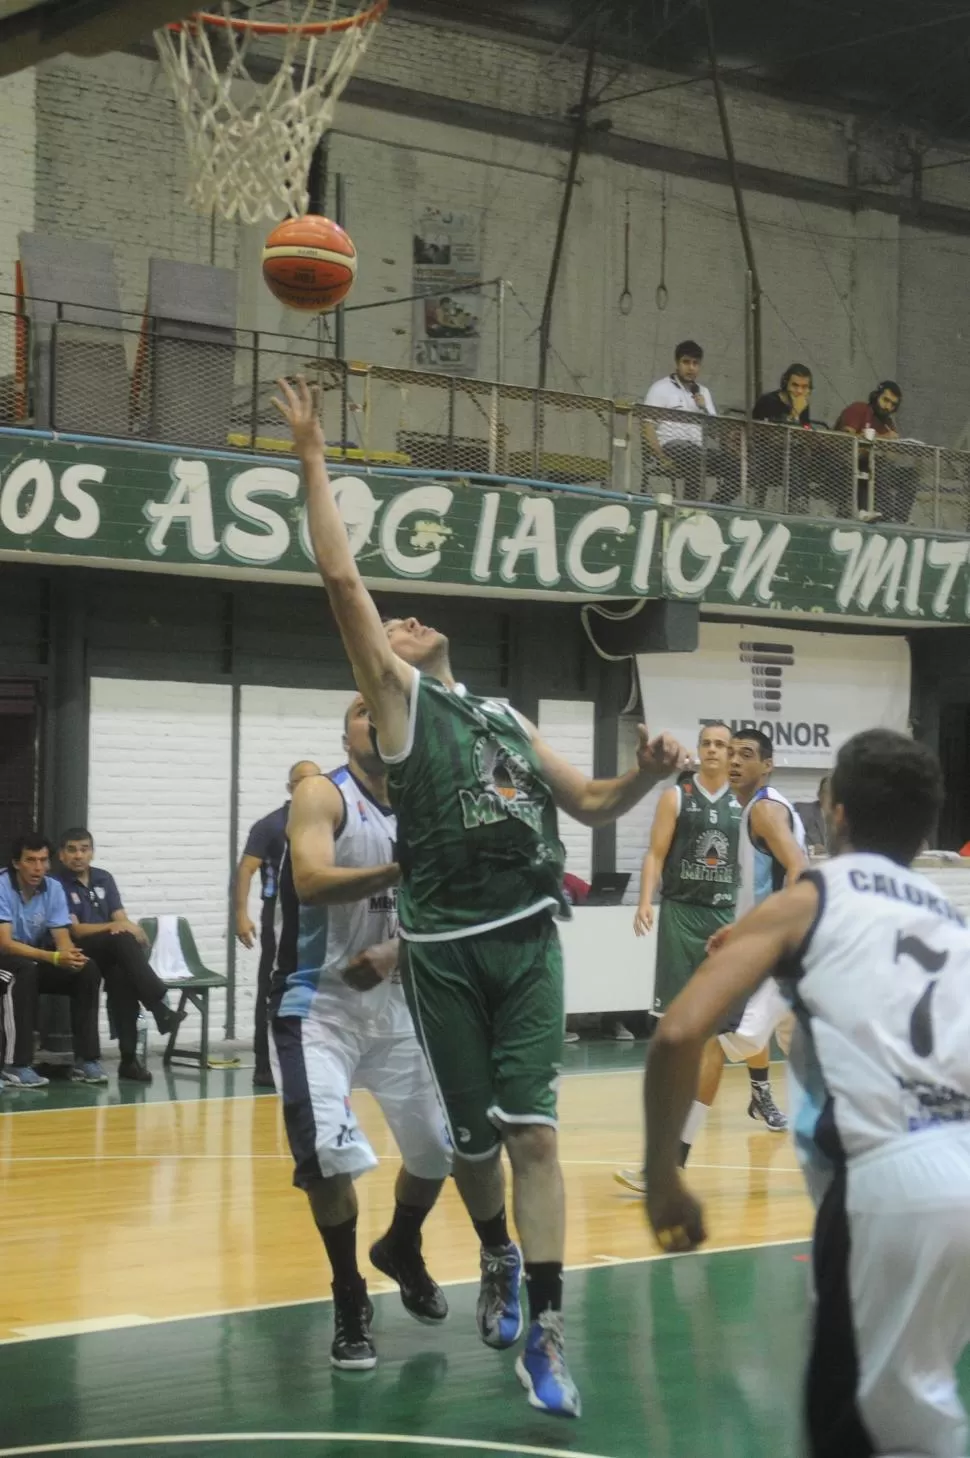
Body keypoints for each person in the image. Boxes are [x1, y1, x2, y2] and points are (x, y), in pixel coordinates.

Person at [272, 374, 689, 1420]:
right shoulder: (403, 719)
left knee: (536, 1137)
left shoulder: (497, 713)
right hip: (446, 952)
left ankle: (544, 1327)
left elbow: (592, 801)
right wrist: (315, 457)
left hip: (525, 941)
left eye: (414, 621)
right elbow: (339, 577)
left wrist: (649, 773)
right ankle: (492, 1251)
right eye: (391, 631)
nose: (402, 623)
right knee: (472, 1145)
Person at [642, 728, 970, 1458]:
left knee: (854, 1433)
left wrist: (665, 1178)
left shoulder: (817, 895)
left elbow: (677, 1033)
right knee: (918, 1417)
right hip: (963, 1181)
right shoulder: (950, 918)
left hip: (883, 1187)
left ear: (837, 815)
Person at [270, 694, 451, 1371]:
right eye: (359, 710)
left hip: (401, 1005)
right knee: (330, 1159)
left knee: (440, 1151)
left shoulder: (428, 805)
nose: (374, 717)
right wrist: (407, 868)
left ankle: (401, 1245)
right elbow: (313, 881)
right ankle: (349, 1296)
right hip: (319, 1007)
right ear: (345, 733)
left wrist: (399, 952)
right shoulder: (322, 793)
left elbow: (450, 912)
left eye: (385, 708)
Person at [614, 724, 784, 1194]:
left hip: (751, 930)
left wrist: (766, 923)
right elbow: (655, 853)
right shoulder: (682, 797)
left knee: (728, 1035)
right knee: (706, 1035)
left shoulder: (760, 809)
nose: (722, 756)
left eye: (732, 750)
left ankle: (757, 1096)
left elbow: (795, 871)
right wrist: (646, 900)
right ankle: (672, 1161)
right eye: (711, 745)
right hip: (695, 918)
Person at [672, 728, 807, 1165]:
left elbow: (799, 867)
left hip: (782, 951)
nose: (733, 761)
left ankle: (670, 1164)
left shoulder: (765, 809)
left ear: (766, 765)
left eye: (745, 754)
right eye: (730, 753)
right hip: (795, 950)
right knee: (823, 1061)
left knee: (712, 1040)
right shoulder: (763, 806)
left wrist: (773, 937)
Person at [56, 827, 186, 1083]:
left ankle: (128, 1060)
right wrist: (115, 927)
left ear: (92, 852)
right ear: (61, 855)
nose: (78, 855)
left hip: (110, 948)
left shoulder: (104, 878)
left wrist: (126, 926)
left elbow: (119, 917)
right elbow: (76, 930)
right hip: (79, 949)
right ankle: (159, 1005)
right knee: (122, 941)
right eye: (71, 849)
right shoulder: (57, 884)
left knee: (122, 975)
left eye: (84, 849)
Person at [235, 760, 320, 1087]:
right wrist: (241, 914)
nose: (310, 787)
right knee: (273, 985)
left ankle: (308, 1056)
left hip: (316, 911)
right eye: (302, 781)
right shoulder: (271, 825)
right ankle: (263, 1063)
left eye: (316, 780)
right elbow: (245, 870)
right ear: (290, 788)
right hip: (279, 914)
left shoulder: (326, 822)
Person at [0, 834, 106, 1088]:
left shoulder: (53, 888)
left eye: (43, 861)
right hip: (6, 960)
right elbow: (5, 944)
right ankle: (16, 1064)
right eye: (31, 860)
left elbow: (62, 938)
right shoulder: (2, 885)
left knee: (86, 969)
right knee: (22, 971)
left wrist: (70, 956)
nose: (38, 868)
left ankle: (86, 1060)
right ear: (17, 863)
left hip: (31, 958)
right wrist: (53, 957)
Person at [641, 341, 739, 503]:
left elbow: (714, 432)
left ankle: (711, 507)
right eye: (686, 362)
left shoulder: (704, 392)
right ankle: (689, 508)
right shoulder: (660, 388)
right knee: (693, 455)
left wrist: (704, 408)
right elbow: (647, 426)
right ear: (677, 364)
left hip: (698, 449)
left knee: (737, 467)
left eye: (695, 363)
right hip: (671, 447)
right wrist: (660, 456)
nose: (691, 368)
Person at [835, 381, 917, 524]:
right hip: (846, 463)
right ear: (875, 396)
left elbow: (891, 457)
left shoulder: (888, 423)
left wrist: (892, 445)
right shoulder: (859, 409)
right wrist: (883, 438)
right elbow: (847, 438)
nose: (888, 407)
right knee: (878, 465)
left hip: (878, 467)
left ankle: (899, 519)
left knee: (909, 475)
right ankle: (882, 513)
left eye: (893, 405)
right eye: (885, 400)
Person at [794, 777, 831, 855]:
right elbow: (789, 841)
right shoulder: (803, 812)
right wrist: (811, 849)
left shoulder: (846, 818)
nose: (831, 797)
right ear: (819, 794)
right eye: (827, 792)